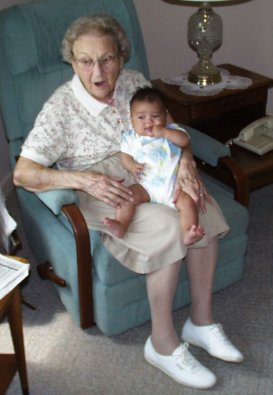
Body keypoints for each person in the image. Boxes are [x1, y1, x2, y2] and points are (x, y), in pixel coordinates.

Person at [13, 13, 243, 389]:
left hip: (155, 173)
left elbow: (170, 126)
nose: (98, 72)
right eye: (85, 61)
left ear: (122, 57)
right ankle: (163, 344)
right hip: (108, 188)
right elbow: (23, 172)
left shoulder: (134, 81)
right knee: (169, 228)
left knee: (200, 208)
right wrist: (81, 178)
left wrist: (185, 160)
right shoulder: (61, 108)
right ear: (72, 61)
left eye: (107, 59)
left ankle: (200, 322)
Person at [103, 87, 205, 245]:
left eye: (155, 116)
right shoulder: (131, 137)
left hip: (174, 187)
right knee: (128, 195)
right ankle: (121, 223)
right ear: (132, 119)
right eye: (141, 117)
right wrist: (131, 166)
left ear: (165, 115)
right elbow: (125, 156)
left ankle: (188, 232)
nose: (149, 122)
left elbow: (184, 141)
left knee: (188, 202)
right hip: (146, 186)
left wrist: (165, 132)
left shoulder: (171, 131)